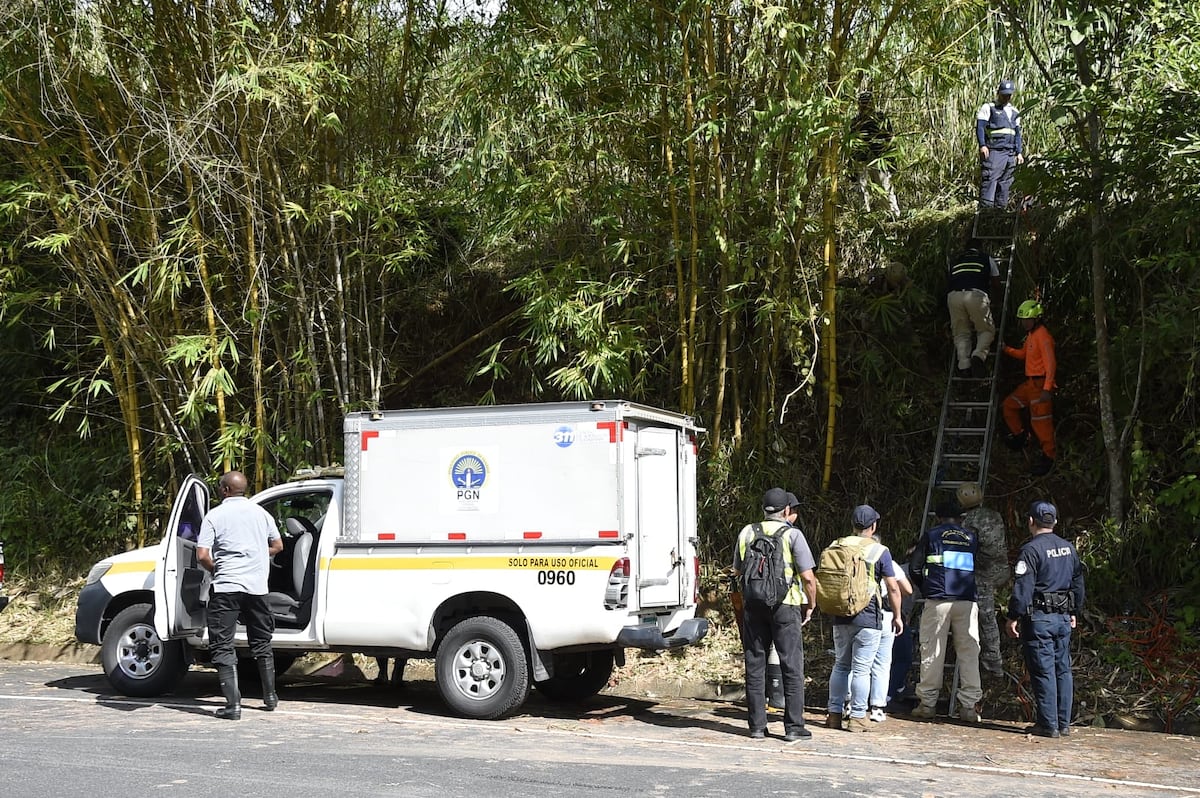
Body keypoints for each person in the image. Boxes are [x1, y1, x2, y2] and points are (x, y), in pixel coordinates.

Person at [732, 487, 818, 741]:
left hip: (754, 605)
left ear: (764, 510)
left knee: (755, 663)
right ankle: (793, 727)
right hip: (785, 606)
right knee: (791, 664)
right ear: (787, 511)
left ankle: (757, 726)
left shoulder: (747, 532)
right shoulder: (793, 535)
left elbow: (737, 571)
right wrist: (810, 603)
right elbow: (808, 577)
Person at [197, 471, 283, 720]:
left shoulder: (215, 515)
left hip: (226, 588)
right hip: (257, 588)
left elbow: (202, 555)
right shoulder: (261, 513)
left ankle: (233, 706)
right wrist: (256, 554)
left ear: (225, 490)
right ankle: (270, 698)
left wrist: (217, 569)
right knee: (262, 642)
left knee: (223, 644)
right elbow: (278, 546)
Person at [1006, 501, 1085, 738]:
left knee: (1043, 671)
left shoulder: (1031, 550)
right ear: (1055, 522)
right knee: (1063, 670)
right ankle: (1063, 724)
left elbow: (1024, 587)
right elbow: (1079, 582)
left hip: (1040, 618)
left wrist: (1013, 616)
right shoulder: (1068, 548)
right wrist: (1074, 611)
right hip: (1062, 617)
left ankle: (1048, 725)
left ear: (1030, 521)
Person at [825, 505, 903, 733]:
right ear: (873, 526)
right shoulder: (879, 550)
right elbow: (893, 588)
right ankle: (858, 716)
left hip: (840, 614)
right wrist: (897, 616)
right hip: (868, 616)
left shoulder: (836, 545)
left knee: (841, 665)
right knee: (861, 669)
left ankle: (834, 714)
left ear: (853, 525)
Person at [908, 501, 983, 723]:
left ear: (938, 517)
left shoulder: (932, 535)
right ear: (960, 518)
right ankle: (969, 707)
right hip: (967, 601)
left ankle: (927, 705)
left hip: (938, 600)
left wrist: (927, 587)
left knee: (932, 650)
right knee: (969, 653)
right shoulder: (971, 537)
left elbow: (914, 567)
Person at [957, 482, 1009, 676]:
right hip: (1002, 570)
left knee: (986, 617)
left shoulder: (967, 523)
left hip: (982, 575)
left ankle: (993, 660)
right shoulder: (995, 515)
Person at [1002, 299, 1057, 476]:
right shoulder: (1032, 335)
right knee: (1009, 405)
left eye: (1027, 319)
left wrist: (1047, 389)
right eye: (1023, 320)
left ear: (1036, 319)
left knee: (1041, 423)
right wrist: (1006, 349)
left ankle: (1049, 458)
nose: (1024, 323)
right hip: (1030, 384)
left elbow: (1050, 364)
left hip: (1040, 385)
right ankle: (1021, 437)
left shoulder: (1043, 336)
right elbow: (1023, 354)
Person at [867, 539, 912, 722]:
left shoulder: (850, 556)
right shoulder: (888, 561)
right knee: (891, 660)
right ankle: (882, 701)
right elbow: (904, 589)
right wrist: (898, 615)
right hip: (884, 615)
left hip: (854, 614)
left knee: (857, 663)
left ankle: (849, 704)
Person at [947, 239, 1001, 378]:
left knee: (960, 332)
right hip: (975, 295)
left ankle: (964, 365)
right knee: (986, 330)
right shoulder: (986, 258)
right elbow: (996, 282)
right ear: (980, 248)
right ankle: (978, 356)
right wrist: (995, 301)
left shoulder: (955, 260)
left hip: (953, 296)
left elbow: (949, 279)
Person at [850, 90, 901, 216]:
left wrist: (892, 162)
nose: (866, 106)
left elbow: (890, 139)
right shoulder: (855, 122)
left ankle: (892, 216)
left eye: (868, 103)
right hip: (861, 160)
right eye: (863, 104)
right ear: (859, 105)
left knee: (884, 188)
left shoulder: (881, 118)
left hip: (879, 159)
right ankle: (865, 217)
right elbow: (851, 144)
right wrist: (851, 167)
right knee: (862, 190)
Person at [977, 80, 1024, 208]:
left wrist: (1019, 152)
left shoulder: (1014, 112)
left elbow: (1017, 133)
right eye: (1004, 95)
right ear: (998, 93)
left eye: (1008, 95)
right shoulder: (989, 108)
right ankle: (985, 214)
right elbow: (980, 127)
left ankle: (1000, 214)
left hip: (1010, 153)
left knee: (1006, 183)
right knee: (990, 180)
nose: (1006, 97)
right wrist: (982, 145)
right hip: (995, 151)